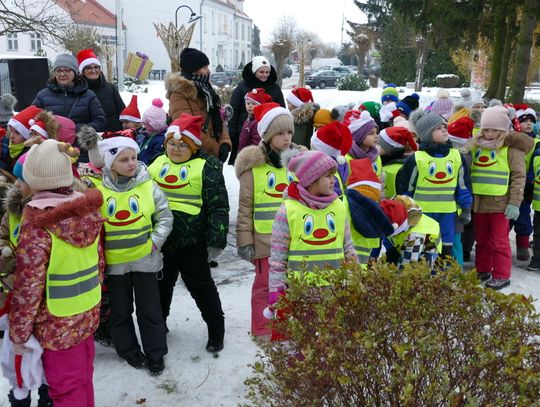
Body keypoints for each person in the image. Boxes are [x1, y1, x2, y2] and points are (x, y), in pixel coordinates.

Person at [8, 139, 103, 406]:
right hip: (87, 312)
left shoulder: (37, 225)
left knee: (64, 389)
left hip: (55, 324)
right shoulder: (89, 212)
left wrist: (19, 333)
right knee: (82, 379)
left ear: (35, 181)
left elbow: (29, 285)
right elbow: (100, 264)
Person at [148, 113, 228, 352]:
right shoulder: (157, 162)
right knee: (161, 288)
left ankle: (216, 330)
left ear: (193, 146)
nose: (176, 149)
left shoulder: (208, 166)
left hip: (192, 242)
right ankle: (159, 326)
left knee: (201, 288)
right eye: (171, 144)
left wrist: (216, 240)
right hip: (162, 241)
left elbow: (218, 205)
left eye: (183, 145)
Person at [97, 136, 172, 376]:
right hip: (115, 265)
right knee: (120, 312)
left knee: (150, 310)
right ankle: (129, 351)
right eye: (124, 159)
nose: (131, 163)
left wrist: (155, 243)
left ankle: (156, 353)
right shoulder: (100, 192)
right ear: (110, 163)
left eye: (134, 158)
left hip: (145, 262)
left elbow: (165, 217)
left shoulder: (148, 186)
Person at [267, 149, 357, 322]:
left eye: (334, 175)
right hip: (301, 293)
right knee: (306, 344)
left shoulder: (338, 206)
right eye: (328, 176)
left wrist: (354, 277)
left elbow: (348, 246)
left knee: (333, 340)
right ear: (312, 179)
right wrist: (277, 289)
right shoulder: (288, 210)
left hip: (335, 290)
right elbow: (278, 258)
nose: (333, 180)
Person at [235, 102, 295, 338]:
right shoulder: (254, 168)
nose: (287, 137)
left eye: (289, 132)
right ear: (268, 136)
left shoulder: (298, 162)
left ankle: (285, 329)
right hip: (264, 241)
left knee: (289, 286)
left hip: (293, 239)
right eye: (280, 133)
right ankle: (262, 328)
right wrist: (245, 241)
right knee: (264, 287)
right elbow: (245, 208)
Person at [470, 106, 533, 289]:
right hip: (479, 203)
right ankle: (482, 269)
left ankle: (501, 274)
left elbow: (518, 177)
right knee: (481, 241)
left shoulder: (511, 149)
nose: (489, 134)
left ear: (504, 130)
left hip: (501, 205)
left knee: (499, 242)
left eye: (495, 130)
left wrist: (515, 202)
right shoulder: (477, 146)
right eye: (486, 129)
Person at [398, 110, 473, 260]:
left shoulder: (457, 156)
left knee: (447, 248)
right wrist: (405, 209)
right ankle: (424, 278)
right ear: (427, 134)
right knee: (424, 247)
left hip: (447, 213)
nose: (444, 130)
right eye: (438, 128)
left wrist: (466, 207)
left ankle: (445, 277)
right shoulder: (417, 159)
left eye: (444, 126)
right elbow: (407, 188)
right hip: (422, 214)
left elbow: (463, 185)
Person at [32, 53, 106, 163]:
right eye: (58, 70)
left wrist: (75, 129)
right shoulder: (42, 96)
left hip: (81, 153)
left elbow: (100, 122)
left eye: (67, 70)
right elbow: (32, 119)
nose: (62, 74)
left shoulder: (88, 95)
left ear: (75, 73)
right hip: (51, 153)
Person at [165, 48, 231, 162]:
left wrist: (225, 142)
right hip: (193, 156)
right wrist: (216, 149)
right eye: (205, 68)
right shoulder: (179, 93)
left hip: (211, 156)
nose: (209, 71)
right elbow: (187, 128)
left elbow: (218, 119)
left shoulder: (206, 91)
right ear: (194, 70)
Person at [228, 55, 286, 165]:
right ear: (254, 71)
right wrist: (233, 132)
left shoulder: (274, 88)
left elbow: (281, 109)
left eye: (267, 72)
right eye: (261, 72)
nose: (265, 75)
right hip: (246, 131)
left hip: (269, 132)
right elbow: (233, 110)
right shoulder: (242, 87)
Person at [77, 48, 125, 131]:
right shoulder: (78, 91)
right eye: (88, 68)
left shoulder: (110, 88)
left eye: (96, 67)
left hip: (113, 134)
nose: (93, 70)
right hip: (90, 136)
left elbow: (122, 111)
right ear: (82, 71)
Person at [238, 88, 272, 152]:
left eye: (254, 104)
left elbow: (256, 142)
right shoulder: (249, 119)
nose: (250, 106)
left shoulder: (257, 122)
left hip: (251, 154)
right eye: (248, 104)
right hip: (243, 151)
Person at [137, 98, 167, 165]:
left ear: (157, 124)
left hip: (148, 168)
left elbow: (156, 159)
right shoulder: (145, 134)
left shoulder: (160, 140)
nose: (145, 126)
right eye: (144, 123)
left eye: (148, 124)